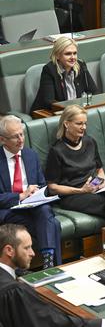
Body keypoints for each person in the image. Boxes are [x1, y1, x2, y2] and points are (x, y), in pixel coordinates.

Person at [0, 224, 105, 327]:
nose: (33, 253)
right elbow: (54, 324)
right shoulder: (14, 291)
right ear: (9, 250)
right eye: (26, 248)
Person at [45, 105, 105, 221]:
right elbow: (52, 187)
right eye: (79, 124)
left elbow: (99, 169)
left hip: (94, 188)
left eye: (85, 123)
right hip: (73, 195)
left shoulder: (89, 142)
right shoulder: (56, 151)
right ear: (66, 124)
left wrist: (102, 182)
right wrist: (81, 191)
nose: (83, 127)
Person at [0, 115, 61, 268]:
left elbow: (41, 184)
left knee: (46, 210)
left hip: (32, 206)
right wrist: (20, 196)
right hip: (8, 209)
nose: (21, 139)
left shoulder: (30, 155)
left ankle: (47, 262)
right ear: (2, 140)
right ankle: (53, 265)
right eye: (15, 137)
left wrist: (37, 194)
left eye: (22, 134)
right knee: (52, 224)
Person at [31, 37, 98, 112]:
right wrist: (71, 111)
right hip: (51, 113)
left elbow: (94, 92)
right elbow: (49, 102)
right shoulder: (49, 70)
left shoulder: (81, 66)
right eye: (68, 54)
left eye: (75, 53)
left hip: (76, 112)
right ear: (57, 55)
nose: (73, 57)